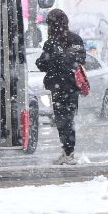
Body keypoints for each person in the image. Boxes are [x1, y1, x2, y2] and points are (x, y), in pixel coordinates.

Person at [35, 9, 86, 166]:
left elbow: (43, 64)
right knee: (69, 119)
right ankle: (69, 152)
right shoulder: (75, 39)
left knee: (62, 121)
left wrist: (48, 61)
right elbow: (82, 59)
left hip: (58, 86)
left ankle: (68, 152)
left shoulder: (51, 43)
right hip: (72, 86)